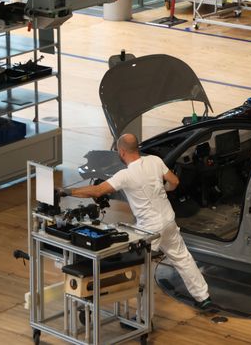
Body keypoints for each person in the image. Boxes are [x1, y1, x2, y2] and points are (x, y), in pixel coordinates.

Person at [66, 133, 213, 310]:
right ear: (137, 148)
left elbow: (98, 191)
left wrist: (68, 192)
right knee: (183, 258)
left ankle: (144, 318)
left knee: (142, 271)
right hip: (168, 219)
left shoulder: (125, 175)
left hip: (149, 231)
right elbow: (174, 181)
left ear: (121, 152)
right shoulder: (155, 161)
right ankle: (203, 297)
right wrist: (164, 190)